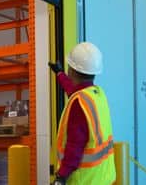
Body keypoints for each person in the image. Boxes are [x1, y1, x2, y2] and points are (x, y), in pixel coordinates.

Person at [48, 42, 116, 185]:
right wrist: (59, 73)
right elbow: (73, 90)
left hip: (84, 181)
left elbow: (74, 147)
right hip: (102, 179)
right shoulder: (97, 95)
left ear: (71, 70)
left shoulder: (79, 103)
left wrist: (61, 177)